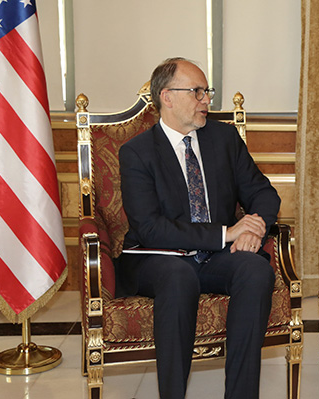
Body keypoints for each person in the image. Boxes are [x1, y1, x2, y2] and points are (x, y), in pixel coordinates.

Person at [116, 57, 280, 399]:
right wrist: (227, 233)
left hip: (214, 256)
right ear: (168, 97)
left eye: (207, 92)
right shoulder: (137, 153)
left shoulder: (223, 138)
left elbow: (263, 193)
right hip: (155, 258)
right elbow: (149, 227)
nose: (207, 100)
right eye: (198, 92)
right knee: (179, 276)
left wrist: (253, 229)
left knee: (255, 270)